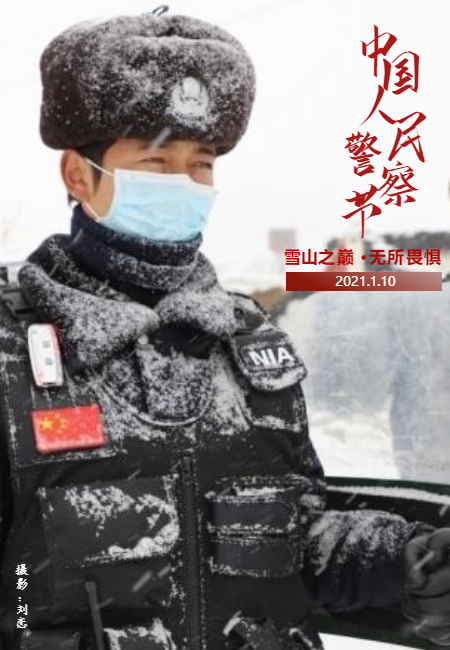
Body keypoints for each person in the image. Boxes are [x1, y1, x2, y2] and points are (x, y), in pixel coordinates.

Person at [0, 7, 449, 650]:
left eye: (202, 165)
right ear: (78, 174)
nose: (184, 185)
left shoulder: (248, 342)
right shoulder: (11, 352)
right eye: (156, 162)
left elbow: (293, 538)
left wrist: (405, 561)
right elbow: (20, 591)